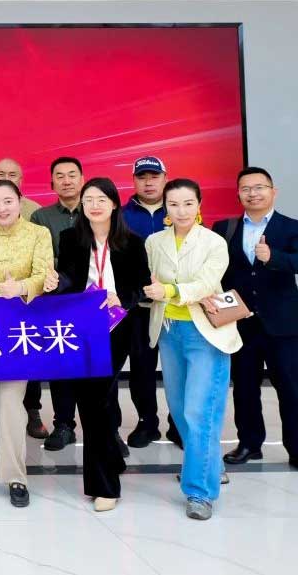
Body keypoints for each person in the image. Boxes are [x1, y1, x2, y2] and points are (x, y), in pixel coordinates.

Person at [44, 178, 151, 512]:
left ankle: (105, 485)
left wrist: (124, 298)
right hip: (82, 327)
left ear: (114, 204)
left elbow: (143, 285)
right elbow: (69, 279)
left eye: (101, 199)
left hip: (118, 327)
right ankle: (110, 462)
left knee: (96, 402)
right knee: (92, 400)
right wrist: (54, 282)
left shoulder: (132, 242)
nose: (94, 205)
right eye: (88, 199)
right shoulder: (71, 238)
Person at [216, 168, 298, 479]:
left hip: (284, 326)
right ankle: (250, 444)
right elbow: (219, 273)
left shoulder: (294, 227)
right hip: (241, 324)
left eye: (259, 187)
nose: (253, 193)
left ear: (273, 191)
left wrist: (272, 256)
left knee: (292, 390)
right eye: (246, 188)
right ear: (238, 193)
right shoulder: (225, 228)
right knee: (244, 389)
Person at [143, 178, 241, 521]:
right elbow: (151, 284)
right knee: (182, 410)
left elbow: (205, 285)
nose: (181, 211)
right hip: (169, 331)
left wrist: (169, 291)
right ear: (165, 208)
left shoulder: (214, 242)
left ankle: (199, 492)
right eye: (173, 204)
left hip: (206, 335)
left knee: (201, 412)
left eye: (188, 203)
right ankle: (208, 464)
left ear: (199, 205)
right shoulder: (154, 242)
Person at [0, 179, 53, 508]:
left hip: (19, 327)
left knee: (10, 399)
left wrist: (22, 287)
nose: (1, 208)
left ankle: (16, 476)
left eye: (8, 201)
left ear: (20, 201)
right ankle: (5, 453)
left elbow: (45, 275)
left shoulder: (38, 234)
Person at [119, 156, 178, 449]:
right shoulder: (121, 216)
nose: (148, 182)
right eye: (142, 177)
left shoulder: (180, 210)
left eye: (154, 176)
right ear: (134, 181)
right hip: (139, 307)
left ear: (165, 178)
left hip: (176, 305)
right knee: (142, 368)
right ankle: (147, 423)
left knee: (178, 368)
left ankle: (179, 424)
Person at [30, 157, 85, 452]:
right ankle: (64, 424)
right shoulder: (41, 216)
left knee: (99, 364)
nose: (66, 180)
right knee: (60, 364)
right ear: (52, 183)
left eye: (72, 175)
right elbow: (40, 259)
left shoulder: (98, 210)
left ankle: (108, 430)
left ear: (82, 179)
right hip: (57, 301)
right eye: (60, 176)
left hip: (94, 301)